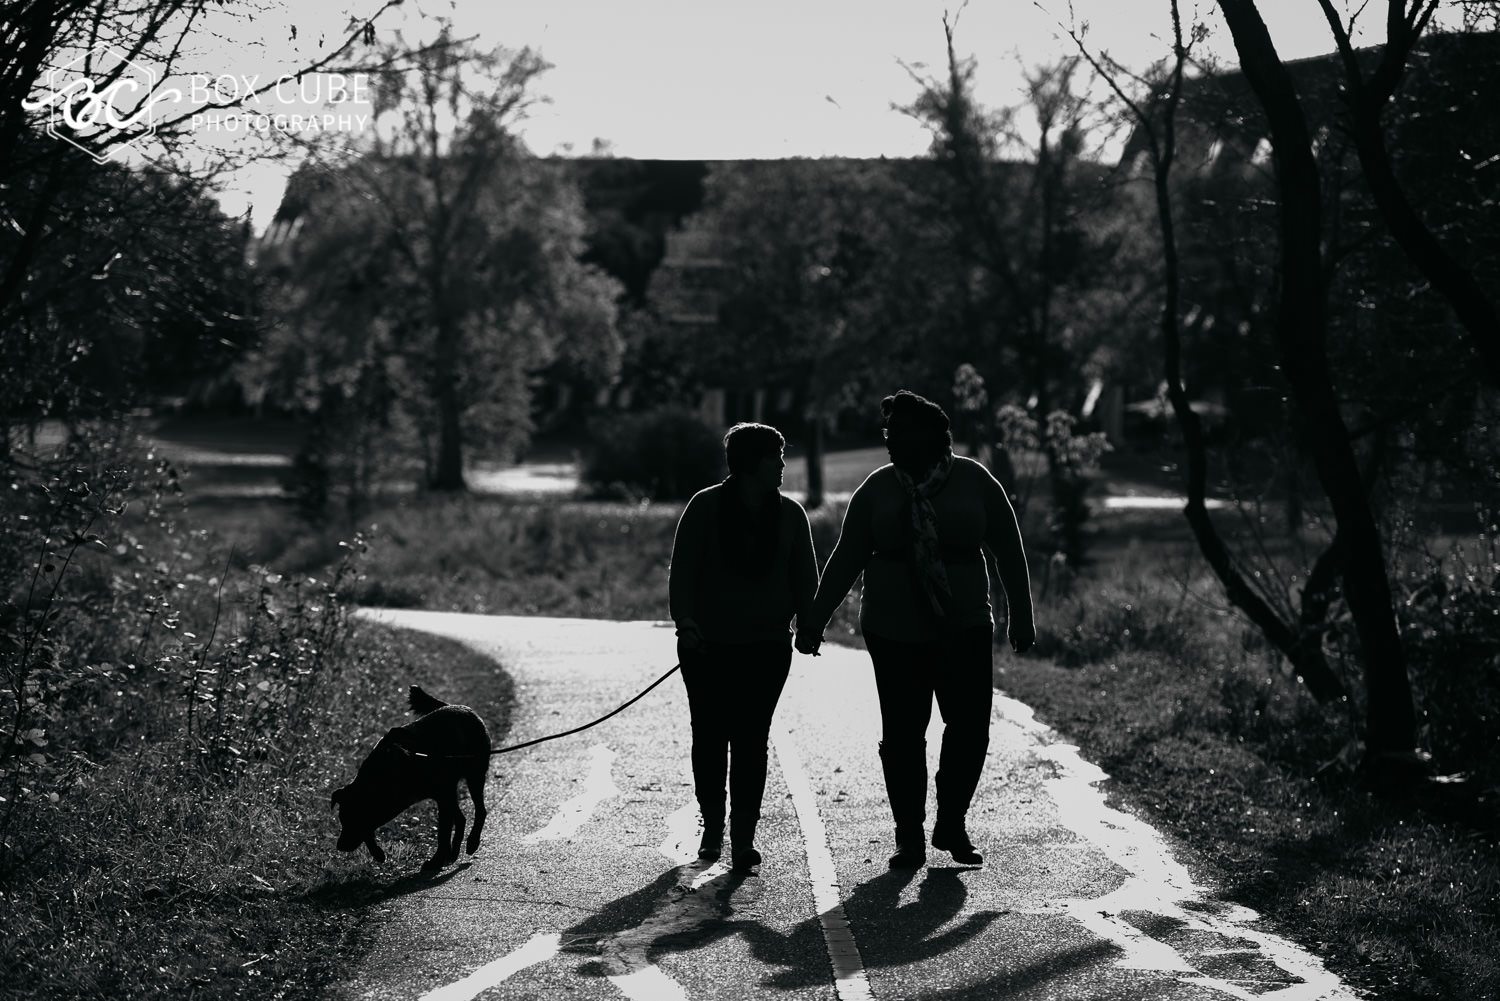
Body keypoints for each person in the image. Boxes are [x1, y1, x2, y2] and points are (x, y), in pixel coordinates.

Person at [796, 390, 1035, 868]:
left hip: (963, 624)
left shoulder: (973, 481)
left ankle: (952, 821)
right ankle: (909, 835)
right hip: (893, 629)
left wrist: (1022, 615)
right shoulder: (878, 489)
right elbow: (846, 558)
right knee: (904, 734)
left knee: (969, 729)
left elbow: (1009, 548)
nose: (891, 442)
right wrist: (815, 620)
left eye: (901, 433)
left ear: (934, 437)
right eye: (889, 434)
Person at [669, 422, 820, 872]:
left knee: (752, 740)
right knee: (710, 737)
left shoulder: (791, 515)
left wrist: (809, 626)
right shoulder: (704, 507)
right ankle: (713, 828)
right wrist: (686, 624)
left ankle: (743, 837)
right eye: (775, 456)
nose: (782, 464)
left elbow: (805, 581)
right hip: (707, 648)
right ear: (753, 462)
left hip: (766, 649)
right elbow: (683, 573)